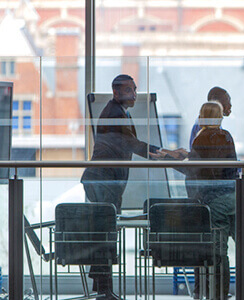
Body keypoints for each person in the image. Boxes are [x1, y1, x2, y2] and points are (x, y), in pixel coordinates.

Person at [80, 74, 161, 300]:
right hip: (103, 181)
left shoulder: (118, 111)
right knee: (105, 234)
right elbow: (132, 144)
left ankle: (103, 290)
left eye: (134, 90)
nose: (134, 94)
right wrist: (162, 153)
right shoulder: (114, 113)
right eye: (129, 90)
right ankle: (105, 292)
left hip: (107, 181)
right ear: (116, 92)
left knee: (105, 233)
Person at [184, 101, 239, 300]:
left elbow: (198, 171)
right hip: (233, 197)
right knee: (243, 247)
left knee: (218, 251)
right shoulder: (227, 136)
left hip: (214, 199)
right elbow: (232, 168)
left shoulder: (200, 138)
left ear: (203, 116)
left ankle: (218, 294)